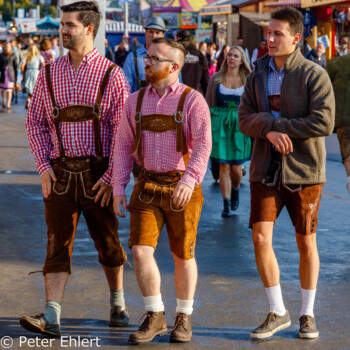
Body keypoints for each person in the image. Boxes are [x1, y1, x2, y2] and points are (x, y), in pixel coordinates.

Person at [20, 1, 130, 337]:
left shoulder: (112, 74)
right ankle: (52, 317)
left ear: (89, 29)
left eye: (69, 25)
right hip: (60, 173)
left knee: (108, 244)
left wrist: (113, 177)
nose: (63, 31)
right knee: (56, 244)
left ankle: (118, 304)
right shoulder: (49, 72)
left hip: (99, 174)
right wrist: (42, 166)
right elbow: (35, 121)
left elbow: (124, 133)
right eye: (62, 25)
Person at [238, 7, 335, 339]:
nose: (270, 39)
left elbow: (323, 122)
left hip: (305, 170)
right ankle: (277, 310)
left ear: (296, 38)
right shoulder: (257, 74)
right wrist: (267, 131)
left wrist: (277, 127)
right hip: (264, 169)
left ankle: (307, 314)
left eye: (277, 34)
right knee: (260, 237)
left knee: (306, 242)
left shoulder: (313, 74)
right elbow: (244, 117)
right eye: (268, 33)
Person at [112, 37, 211, 344]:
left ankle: (184, 317)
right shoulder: (135, 101)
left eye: (155, 58)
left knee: (183, 255)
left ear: (174, 66)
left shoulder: (193, 100)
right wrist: (118, 187)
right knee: (140, 252)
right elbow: (123, 146)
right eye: (148, 56)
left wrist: (188, 179)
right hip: (147, 186)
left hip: (183, 186)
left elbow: (203, 145)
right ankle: (155, 315)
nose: (147, 61)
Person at [205, 46, 251, 217]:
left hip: (240, 125)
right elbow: (209, 103)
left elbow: (254, 104)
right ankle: (225, 203)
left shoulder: (248, 79)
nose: (232, 58)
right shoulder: (216, 79)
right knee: (223, 165)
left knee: (237, 168)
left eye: (236, 56)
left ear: (241, 60)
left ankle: (236, 188)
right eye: (230, 55)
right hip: (220, 125)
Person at [326, 54, 350, 195]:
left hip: (342, 118)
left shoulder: (335, 64)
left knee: (346, 155)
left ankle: (349, 178)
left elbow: (323, 89)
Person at [123, 17, 166, 93]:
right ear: (145, 33)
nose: (154, 36)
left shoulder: (169, 57)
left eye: (157, 32)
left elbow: (177, 86)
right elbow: (125, 88)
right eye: (151, 32)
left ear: (163, 35)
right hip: (139, 103)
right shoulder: (132, 57)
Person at [175, 30, 209, 95]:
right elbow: (206, 78)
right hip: (196, 94)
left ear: (179, 39)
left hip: (178, 95)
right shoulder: (200, 55)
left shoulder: (176, 54)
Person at [21, 44, 45, 109]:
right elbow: (44, 65)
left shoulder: (26, 56)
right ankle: (35, 103)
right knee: (35, 88)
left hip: (28, 72)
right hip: (36, 72)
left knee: (29, 87)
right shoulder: (39, 56)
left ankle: (29, 99)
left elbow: (22, 66)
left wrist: (23, 73)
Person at [0, 42, 17, 109]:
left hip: (10, 74)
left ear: (10, 47)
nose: (7, 48)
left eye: (8, 47)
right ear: (4, 47)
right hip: (3, 74)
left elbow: (15, 67)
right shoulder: (1, 55)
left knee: (9, 90)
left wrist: (15, 78)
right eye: (6, 47)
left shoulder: (13, 55)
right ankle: (4, 100)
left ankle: (8, 103)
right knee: (2, 89)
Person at [11, 39, 24, 104]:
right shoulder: (10, 51)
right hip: (11, 70)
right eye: (11, 43)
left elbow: (22, 60)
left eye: (12, 43)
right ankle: (12, 94)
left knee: (17, 84)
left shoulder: (19, 51)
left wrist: (20, 68)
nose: (11, 44)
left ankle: (16, 95)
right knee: (12, 84)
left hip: (18, 70)